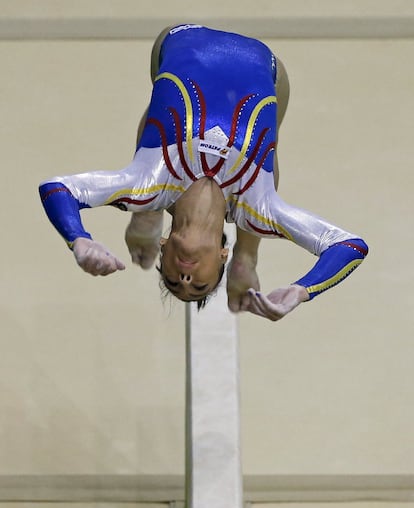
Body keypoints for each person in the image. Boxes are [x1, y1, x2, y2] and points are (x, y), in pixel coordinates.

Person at [39, 23, 368, 321]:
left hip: (181, 37)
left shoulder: (147, 183)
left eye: (172, 280)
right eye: (199, 286)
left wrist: (78, 239)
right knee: (265, 175)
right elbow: (349, 246)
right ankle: (247, 257)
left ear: (165, 246)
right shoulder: (259, 208)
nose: (185, 279)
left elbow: (57, 189)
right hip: (265, 65)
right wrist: (302, 290)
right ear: (222, 256)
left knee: (143, 173)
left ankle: (145, 216)